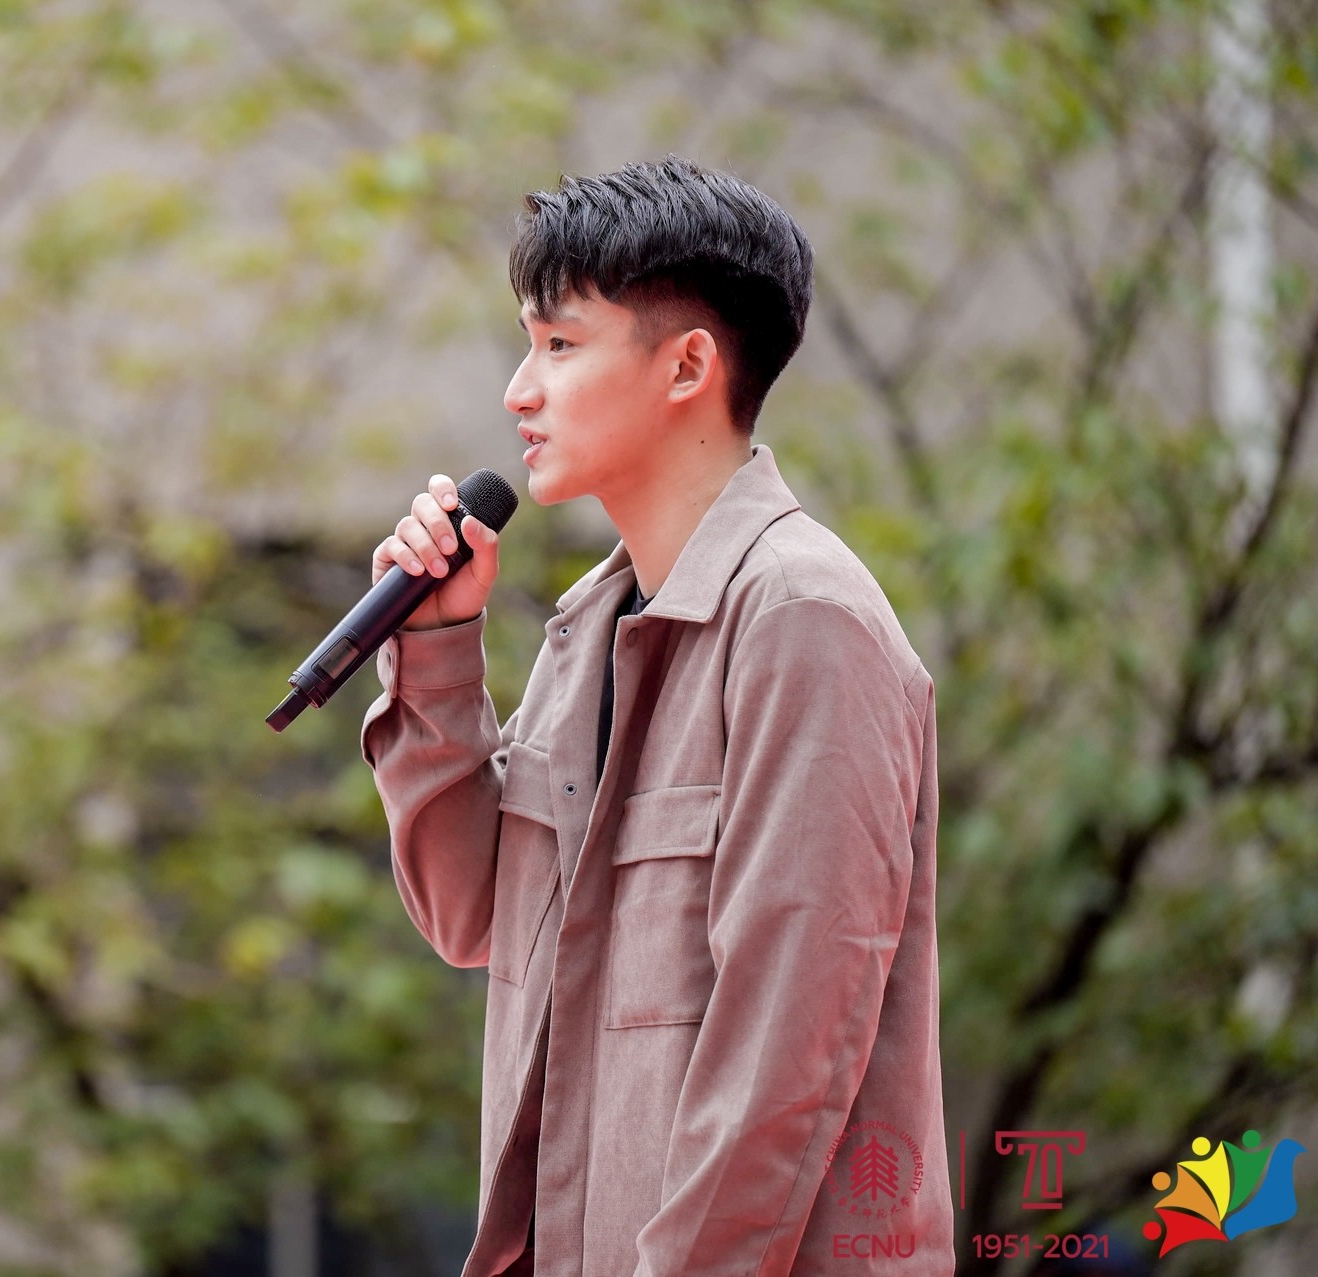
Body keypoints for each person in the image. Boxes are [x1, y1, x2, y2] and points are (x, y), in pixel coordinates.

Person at [359, 156, 954, 1276]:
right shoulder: (592, 628)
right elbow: (469, 912)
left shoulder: (804, 619)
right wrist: (435, 648)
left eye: (559, 344)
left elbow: (788, 1054)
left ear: (687, 365)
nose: (518, 390)